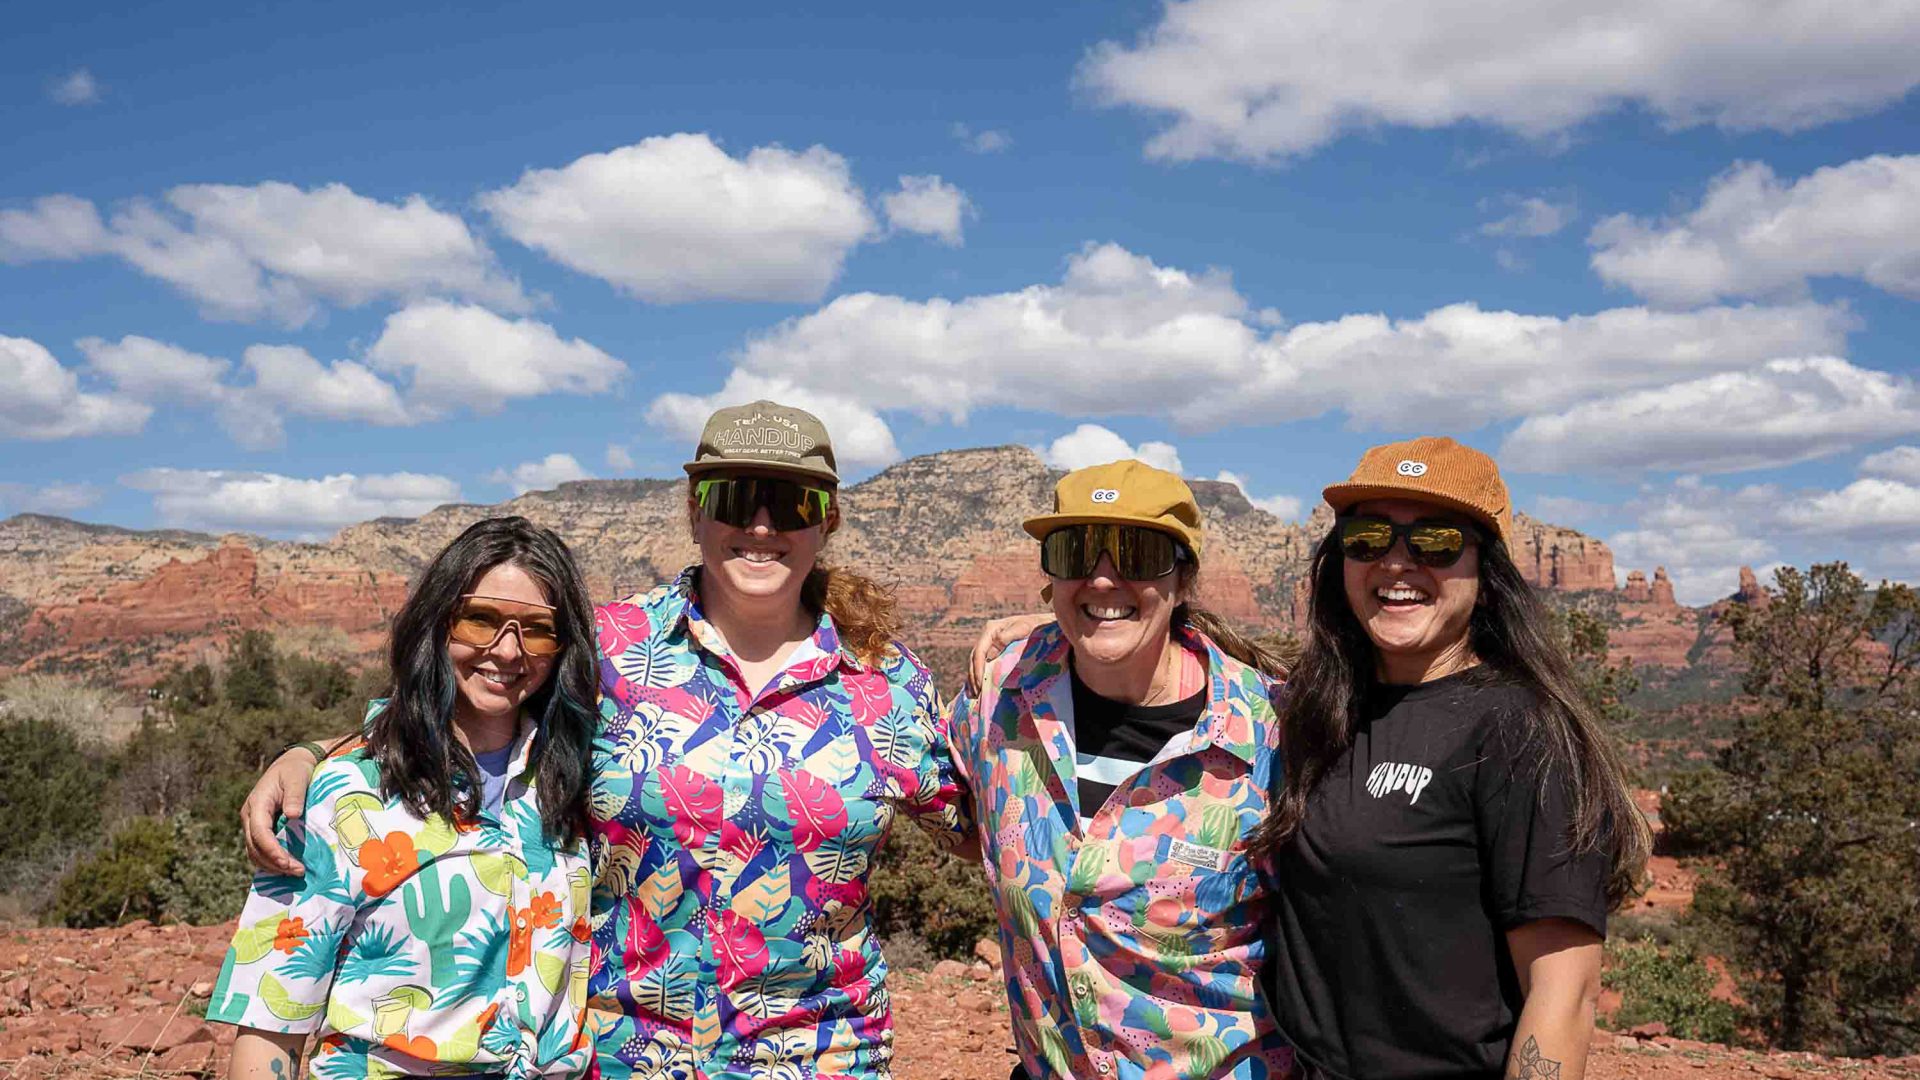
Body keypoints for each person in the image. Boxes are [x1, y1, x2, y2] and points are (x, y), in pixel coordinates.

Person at [241, 400, 970, 1080]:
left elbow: (982, 823)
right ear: (694, 511)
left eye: (790, 502)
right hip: (628, 1056)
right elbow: (473, 707)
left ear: (828, 518)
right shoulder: (611, 649)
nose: (760, 524)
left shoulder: (887, 686)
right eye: (731, 499)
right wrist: (316, 752)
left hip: (824, 1056)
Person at [1253, 436, 1649, 1080]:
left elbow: (1564, 990)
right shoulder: (1317, 710)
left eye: (1434, 542)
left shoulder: (1521, 728)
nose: (1396, 564)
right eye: (1368, 538)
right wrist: (1044, 638)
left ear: (1486, 577)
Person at [212, 516, 600, 1079]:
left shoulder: (576, 781)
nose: (508, 650)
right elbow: (271, 1025)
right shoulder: (342, 795)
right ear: (438, 622)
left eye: (537, 628)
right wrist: (309, 754)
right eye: (481, 619)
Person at [950, 459, 1295, 1080]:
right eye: (1076, 552)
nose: (1103, 578)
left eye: (1136, 555)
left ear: (1183, 579)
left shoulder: (1273, 734)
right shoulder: (999, 701)